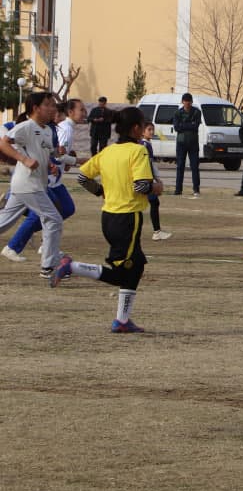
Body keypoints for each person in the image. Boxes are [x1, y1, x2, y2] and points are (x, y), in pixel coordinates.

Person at [55, 106, 161, 333]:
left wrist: (101, 191)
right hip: (127, 218)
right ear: (135, 128)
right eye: (143, 125)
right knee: (122, 273)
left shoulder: (108, 151)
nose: (144, 129)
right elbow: (141, 185)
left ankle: (122, 321)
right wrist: (157, 186)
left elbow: (83, 176)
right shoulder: (138, 151)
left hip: (109, 216)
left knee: (137, 266)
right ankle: (72, 267)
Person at [0, 91, 69, 279]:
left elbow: (43, 153)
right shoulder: (26, 127)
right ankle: (49, 266)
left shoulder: (46, 129)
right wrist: (23, 159)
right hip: (28, 185)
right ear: (36, 108)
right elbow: (3, 143)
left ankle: (49, 264)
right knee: (53, 219)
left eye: (54, 105)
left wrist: (50, 164)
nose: (53, 108)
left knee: (4, 221)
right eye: (48, 104)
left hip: (30, 185)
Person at [141, 122, 172, 240]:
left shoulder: (147, 143)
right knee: (153, 202)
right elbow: (148, 163)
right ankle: (156, 232)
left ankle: (157, 231)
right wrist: (155, 178)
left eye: (152, 130)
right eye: (149, 130)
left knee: (153, 203)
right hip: (145, 179)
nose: (152, 132)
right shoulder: (144, 145)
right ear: (143, 131)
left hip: (146, 178)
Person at [172, 92, 201, 198]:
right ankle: (178, 189)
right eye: (185, 101)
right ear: (182, 102)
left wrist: (183, 125)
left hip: (193, 142)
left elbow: (196, 126)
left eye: (189, 101)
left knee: (194, 166)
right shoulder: (177, 113)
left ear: (191, 102)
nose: (187, 103)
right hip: (181, 143)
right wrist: (189, 124)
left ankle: (196, 189)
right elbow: (177, 127)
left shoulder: (196, 112)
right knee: (180, 166)